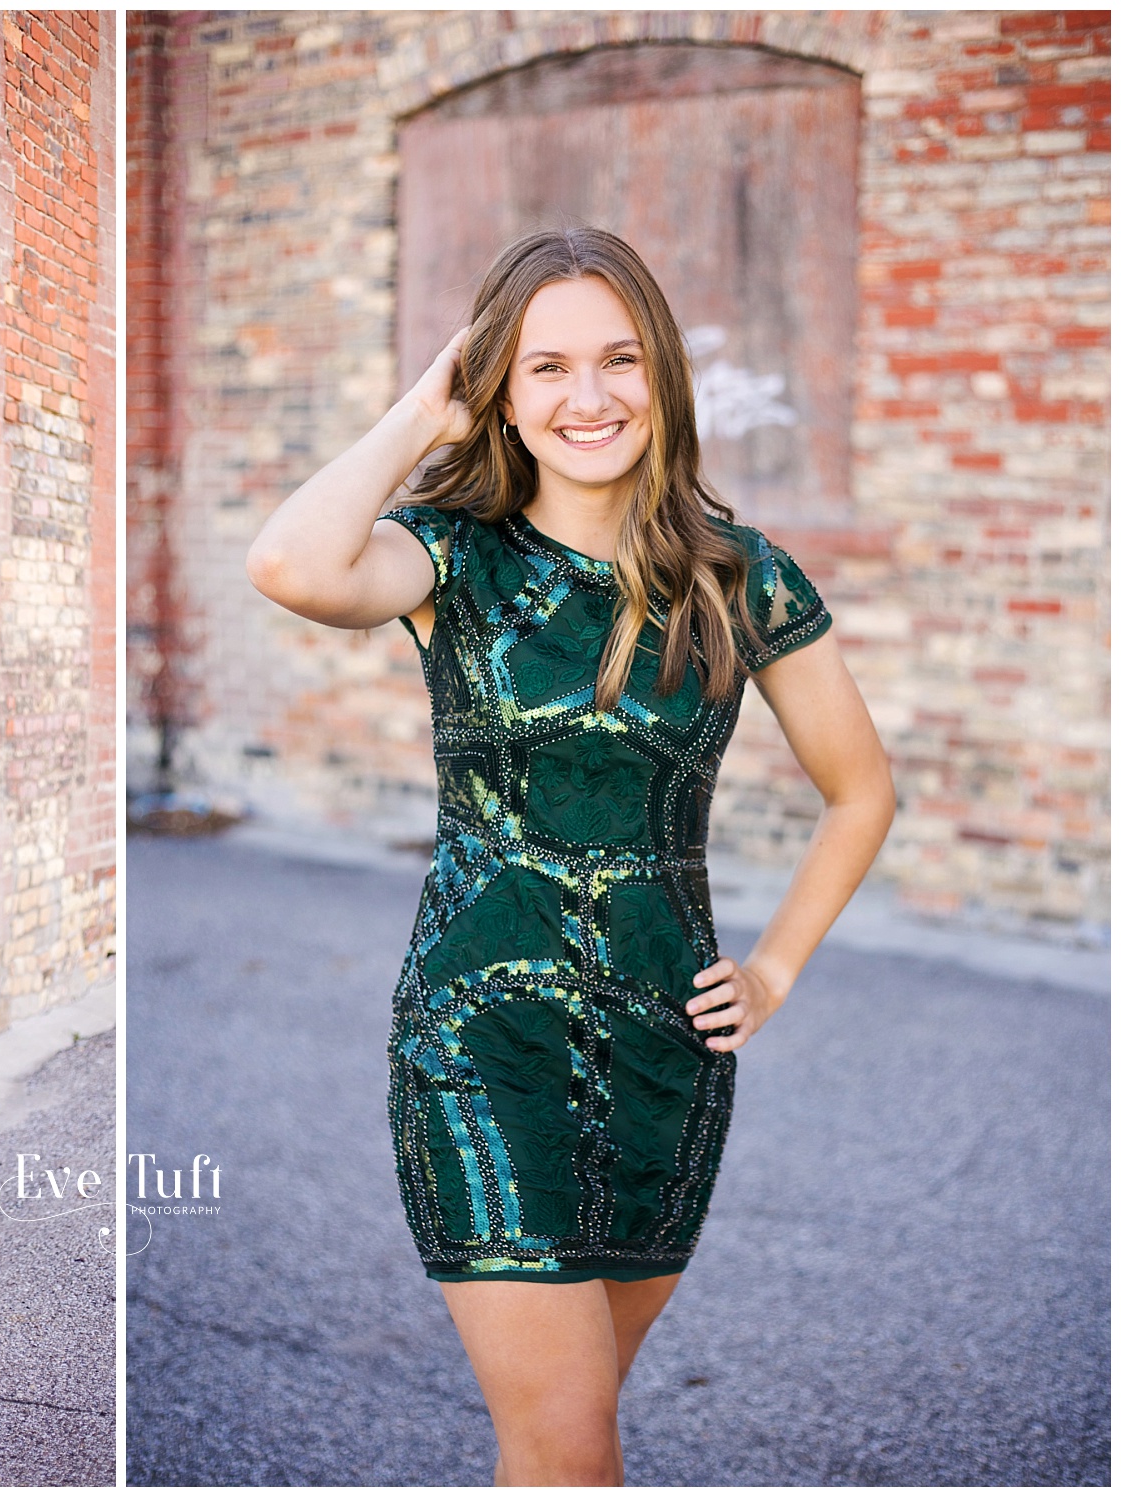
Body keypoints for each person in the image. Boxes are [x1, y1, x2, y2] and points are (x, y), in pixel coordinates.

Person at [245, 228, 895, 1485]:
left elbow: (858, 789)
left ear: (662, 376)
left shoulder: (735, 575)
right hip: (481, 1039)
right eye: (542, 368)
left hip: (666, 1044)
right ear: (495, 387)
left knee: (561, 1433)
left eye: (616, 361)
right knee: (569, 1442)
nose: (585, 398)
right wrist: (419, 411)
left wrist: (771, 969)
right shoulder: (451, 555)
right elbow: (289, 562)